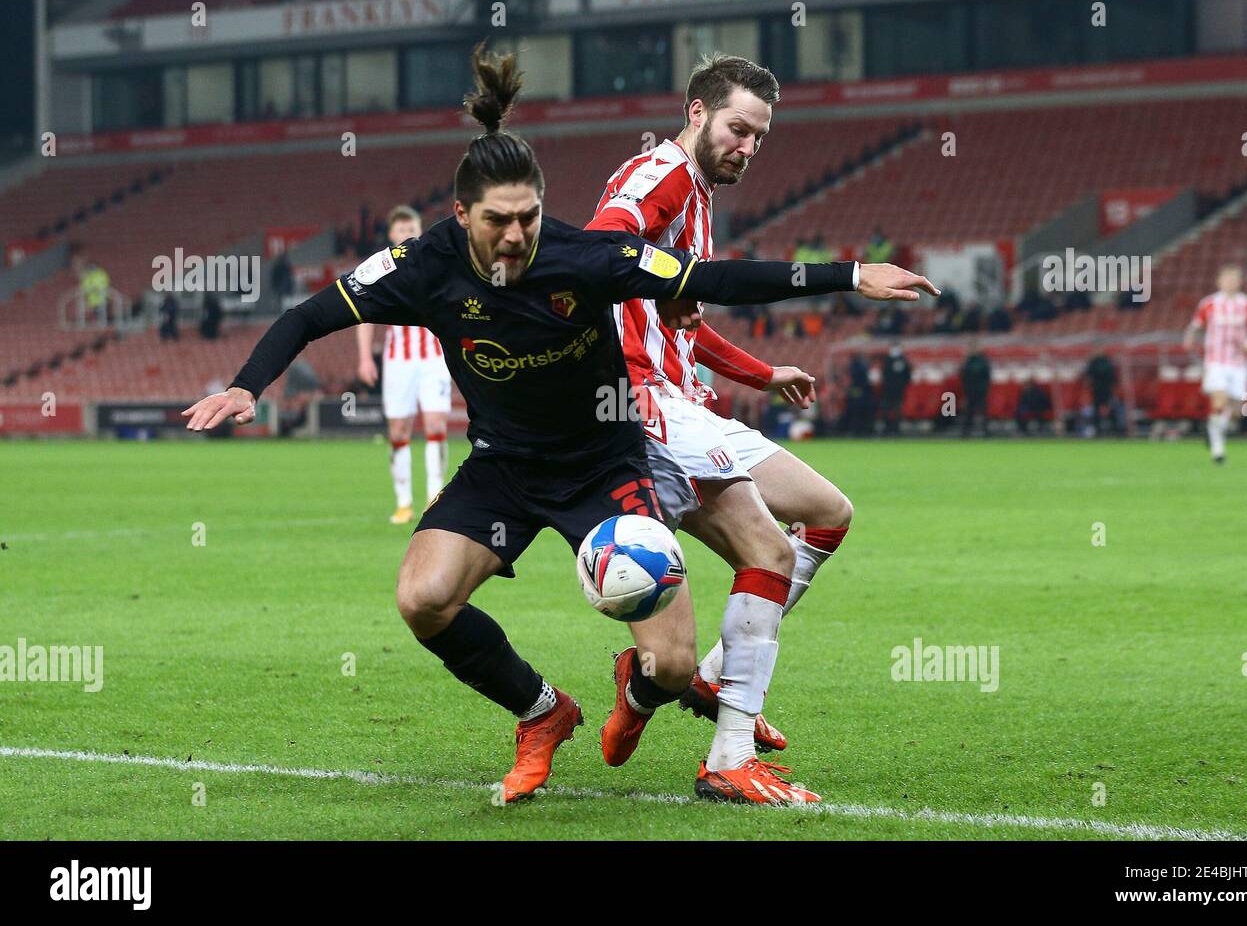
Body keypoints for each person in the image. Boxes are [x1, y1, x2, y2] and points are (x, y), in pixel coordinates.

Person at [182, 44, 938, 805]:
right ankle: (542, 712)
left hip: (604, 466)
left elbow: (709, 280)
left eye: (530, 217)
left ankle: (678, 688)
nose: (517, 236)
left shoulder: (583, 256)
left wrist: (847, 276)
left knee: (671, 667)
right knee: (422, 598)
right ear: (460, 216)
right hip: (504, 467)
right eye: (498, 221)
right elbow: (310, 313)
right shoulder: (421, 265)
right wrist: (249, 386)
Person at [585, 51, 939, 803]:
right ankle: (727, 754)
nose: (747, 147)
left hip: (680, 399)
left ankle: (711, 679)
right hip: (645, 406)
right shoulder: (665, 176)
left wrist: (760, 371)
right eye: (738, 129)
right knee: (771, 548)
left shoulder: (699, 196)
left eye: (759, 138)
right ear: (697, 112)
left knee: (828, 513)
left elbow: (677, 315)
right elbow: (601, 248)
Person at [356, 206, 454, 523]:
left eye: (410, 227)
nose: (406, 233)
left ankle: (435, 497)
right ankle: (403, 501)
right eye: (400, 229)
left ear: (419, 229)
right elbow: (362, 313)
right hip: (398, 361)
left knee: (437, 426)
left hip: (434, 358)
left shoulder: (438, 263)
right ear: (391, 234)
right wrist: (364, 357)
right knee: (398, 430)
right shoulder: (379, 268)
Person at [1184, 264, 1247, 465]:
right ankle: (1218, 449)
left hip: (1239, 363)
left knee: (1238, 411)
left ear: (1239, 282)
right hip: (1216, 361)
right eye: (1226, 279)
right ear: (1219, 281)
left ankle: (1213, 429)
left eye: (1234, 279)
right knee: (1219, 401)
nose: (1230, 282)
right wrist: (1190, 337)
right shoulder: (1209, 304)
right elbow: (1196, 326)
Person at [1081, 352, 1123, 436]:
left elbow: (1086, 377)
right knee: (1108, 411)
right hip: (1105, 391)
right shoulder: (1107, 363)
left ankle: (1103, 430)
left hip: (1100, 391)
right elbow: (1115, 379)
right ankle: (1116, 431)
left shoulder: (1095, 363)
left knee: (1105, 411)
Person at [959, 343, 990, 437]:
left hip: (980, 390)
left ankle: (984, 430)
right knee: (969, 411)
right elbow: (963, 375)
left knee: (982, 410)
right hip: (970, 390)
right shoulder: (968, 361)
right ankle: (967, 431)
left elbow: (984, 374)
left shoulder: (981, 361)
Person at [880, 343, 911, 436]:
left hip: (895, 389)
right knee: (889, 408)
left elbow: (907, 375)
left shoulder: (901, 360)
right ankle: (888, 427)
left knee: (896, 408)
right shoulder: (890, 360)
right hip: (891, 388)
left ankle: (894, 428)